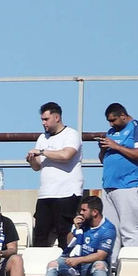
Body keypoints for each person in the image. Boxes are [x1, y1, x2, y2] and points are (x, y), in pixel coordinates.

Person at [98, 102, 138, 259]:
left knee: (130, 229)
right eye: (109, 121)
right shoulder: (111, 132)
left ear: (123, 116)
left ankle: (131, 263)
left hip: (128, 185)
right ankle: (111, 264)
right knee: (110, 231)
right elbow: (103, 160)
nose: (111, 124)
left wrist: (116, 146)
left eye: (113, 120)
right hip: (109, 186)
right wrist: (103, 149)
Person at [28, 102, 84, 248]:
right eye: (42, 119)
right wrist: (32, 160)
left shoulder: (71, 134)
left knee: (64, 234)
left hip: (66, 193)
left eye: (46, 119)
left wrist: (42, 151)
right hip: (45, 194)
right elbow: (37, 166)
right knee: (40, 235)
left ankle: (66, 262)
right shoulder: (42, 138)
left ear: (57, 118)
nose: (43, 123)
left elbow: (66, 155)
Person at [43, 196, 115, 276]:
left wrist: (79, 260)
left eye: (84, 210)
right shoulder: (82, 224)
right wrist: (75, 229)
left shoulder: (108, 229)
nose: (80, 213)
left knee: (100, 267)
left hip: (92, 264)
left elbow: (101, 255)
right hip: (77, 262)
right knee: (52, 265)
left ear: (95, 212)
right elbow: (68, 242)